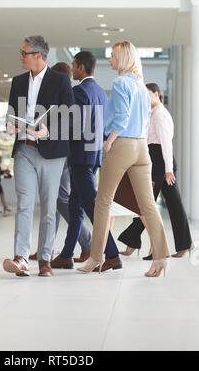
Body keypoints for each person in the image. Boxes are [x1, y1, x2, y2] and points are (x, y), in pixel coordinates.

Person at [78, 41, 170, 278]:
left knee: (103, 202)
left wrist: (109, 141)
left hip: (122, 145)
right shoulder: (140, 85)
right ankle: (160, 257)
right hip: (141, 148)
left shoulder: (120, 82)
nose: (110, 60)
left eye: (113, 56)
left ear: (123, 58)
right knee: (148, 205)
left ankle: (96, 257)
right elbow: (144, 117)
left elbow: (122, 116)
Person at [3, 35, 75, 277]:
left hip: (52, 153)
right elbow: (12, 112)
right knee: (24, 204)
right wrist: (10, 125)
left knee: (48, 206)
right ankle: (21, 257)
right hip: (24, 149)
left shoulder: (60, 81)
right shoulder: (18, 81)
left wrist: (49, 131)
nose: (20, 57)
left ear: (38, 56)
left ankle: (44, 258)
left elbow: (70, 116)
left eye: (24, 53)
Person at [51, 51, 121, 272]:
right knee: (76, 207)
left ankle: (112, 254)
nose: (71, 70)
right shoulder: (101, 92)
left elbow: (76, 126)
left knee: (92, 207)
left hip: (81, 156)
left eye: (73, 65)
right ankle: (66, 254)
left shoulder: (79, 91)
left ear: (81, 67)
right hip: (93, 155)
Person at [118, 83, 193, 259]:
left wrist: (168, 170)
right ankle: (134, 242)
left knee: (147, 204)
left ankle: (173, 247)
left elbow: (166, 143)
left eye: (147, 94)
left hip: (161, 163)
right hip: (156, 161)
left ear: (157, 94)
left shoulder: (159, 115)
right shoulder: (152, 113)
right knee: (146, 203)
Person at [28, 62, 93, 261]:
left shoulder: (66, 97)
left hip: (61, 154)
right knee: (54, 203)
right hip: (55, 153)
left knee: (61, 200)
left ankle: (88, 242)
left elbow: (70, 127)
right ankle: (45, 249)